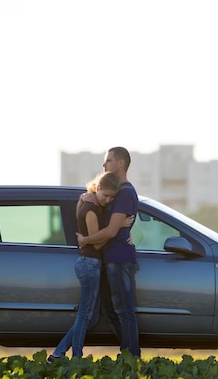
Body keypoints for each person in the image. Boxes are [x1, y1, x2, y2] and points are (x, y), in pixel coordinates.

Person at [48, 171, 131, 362]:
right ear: (98, 188)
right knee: (85, 315)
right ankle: (76, 357)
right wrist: (116, 228)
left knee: (91, 318)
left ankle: (57, 353)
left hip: (91, 264)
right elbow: (98, 244)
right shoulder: (91, 209)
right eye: (106, 195)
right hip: (90, 264)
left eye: (112, 197)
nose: (109, 200)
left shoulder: (88, 200)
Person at [77, 146, 140, 357]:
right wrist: (88, 197)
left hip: (119, 259)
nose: (104, 165)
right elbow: (103, 211)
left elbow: (112, 231)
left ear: (121, 163)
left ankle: (131, 356)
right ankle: (127, 355)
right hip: (108, 258)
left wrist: (85, 239)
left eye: (108, 161)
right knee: (111, 310)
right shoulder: (114, 192)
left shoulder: (125, 193)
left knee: (123, 310)